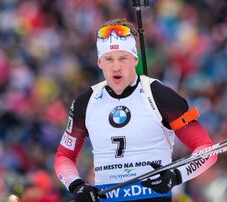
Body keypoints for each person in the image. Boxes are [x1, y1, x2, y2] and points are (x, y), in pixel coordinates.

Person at [54, 18, 217, 202]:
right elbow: (64, 156)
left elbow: (206, 149)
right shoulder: (86, 101)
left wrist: (176, 176)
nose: (116, 66)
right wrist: (76, 185)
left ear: (135, 59)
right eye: (109, 59)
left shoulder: (159, 95)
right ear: (99, 62)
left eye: (123, 58)